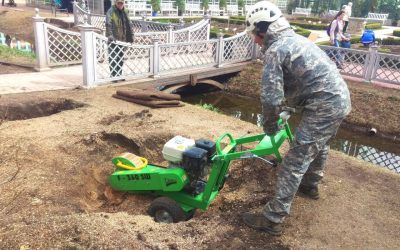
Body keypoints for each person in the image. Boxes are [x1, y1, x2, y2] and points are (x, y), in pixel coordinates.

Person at [241, 1, 351, 236]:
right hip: (338, 100)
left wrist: (269, 126)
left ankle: (272, 219)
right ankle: (310, 186)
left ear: (261, 30)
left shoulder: (276, 50)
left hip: (324, 105)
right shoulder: (296, 40)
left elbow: (271, 98)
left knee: (294, 161)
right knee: (318, 145)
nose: (254, 40)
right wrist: (289, 110)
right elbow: (302, 82)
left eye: (253, 34)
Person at [105, 0, 133, 79]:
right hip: (113, 40)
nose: (120, 4)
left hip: (122, 40)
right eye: (119, 3)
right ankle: (114, 76)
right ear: (115, 3)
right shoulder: (111, 11)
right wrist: (110, 35)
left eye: (122, 3)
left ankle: (119, 75)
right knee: (113, 58)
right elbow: (108, 23)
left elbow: (129, 24)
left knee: (120, 58)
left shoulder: (125, 11)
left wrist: (131, 37)